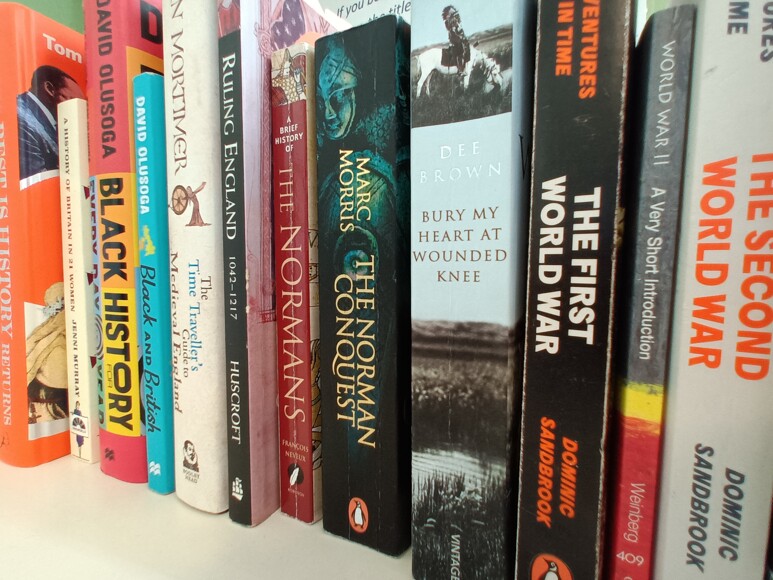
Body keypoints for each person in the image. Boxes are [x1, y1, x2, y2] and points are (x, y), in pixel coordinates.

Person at [17, 65, 84, 182]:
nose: (77, 112)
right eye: (72, 101)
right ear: (49, 89)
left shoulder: (35, 116)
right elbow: (36, 181)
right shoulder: (23, 121)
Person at [442, 5, 470, 72]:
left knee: (465, 48)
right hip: (454, 39)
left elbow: (459, 28)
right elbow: (452, 30)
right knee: (459, 52)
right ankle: (461, 70)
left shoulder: (455, 18)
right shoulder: (448, 22)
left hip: (458, 37)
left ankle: (465, 65)